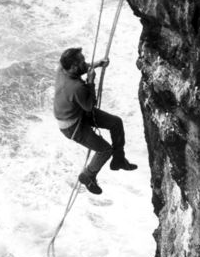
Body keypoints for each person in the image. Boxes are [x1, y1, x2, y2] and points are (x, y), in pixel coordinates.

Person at [54, 46, 137, 195]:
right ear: (73, 67)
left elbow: (80, 68)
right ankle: (88, 175)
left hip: (76, 113)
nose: (85, 62)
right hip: (72, 126)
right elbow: (89, 105)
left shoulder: (62, 69)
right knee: (105, 150)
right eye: (82, 61)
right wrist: (91, 81)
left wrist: (97, 63)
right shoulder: (76, 87)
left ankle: (119, 159)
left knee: (116, 122)